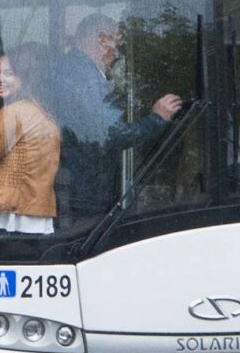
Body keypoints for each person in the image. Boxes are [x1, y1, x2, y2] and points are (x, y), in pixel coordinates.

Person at [52, 13, 183, 224]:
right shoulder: (85, 76)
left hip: (74, 182)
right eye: (117, 43)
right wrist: (157, 117)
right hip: (87, 189)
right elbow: (113, 133)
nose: (119, 53)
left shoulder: (66, 69)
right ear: (102, 41)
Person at [0, 46, 62, 233]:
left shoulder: (13, 113)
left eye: (9, 74)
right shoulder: (42, 111)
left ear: (25, 77)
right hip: (36, 215)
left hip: (3, 215)